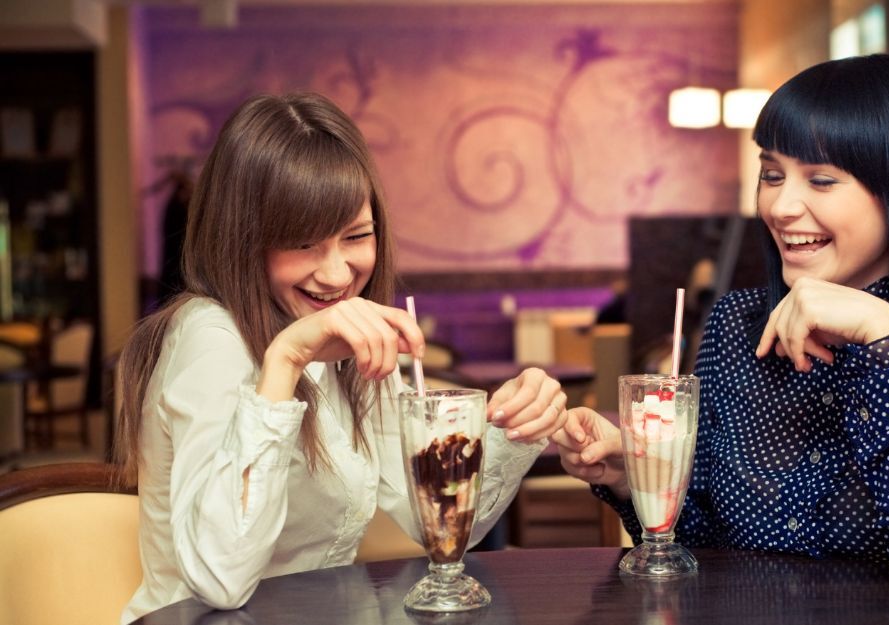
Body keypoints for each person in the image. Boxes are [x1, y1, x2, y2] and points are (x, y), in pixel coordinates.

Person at [554, 54, 889, 587]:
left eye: (822, 179)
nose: (781, 207)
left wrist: (883, 339)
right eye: (772, 175)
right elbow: (702, 544)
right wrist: (631, 479)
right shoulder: (736, 325)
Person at [114, 93, 567, 623]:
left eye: (356, 237)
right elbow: (219, 580)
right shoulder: (210, 336)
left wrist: (514, 427)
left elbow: (434, 525)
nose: (336, 275)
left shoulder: (353, 340)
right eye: (302, 243)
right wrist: (286, 359)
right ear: (242, 240)